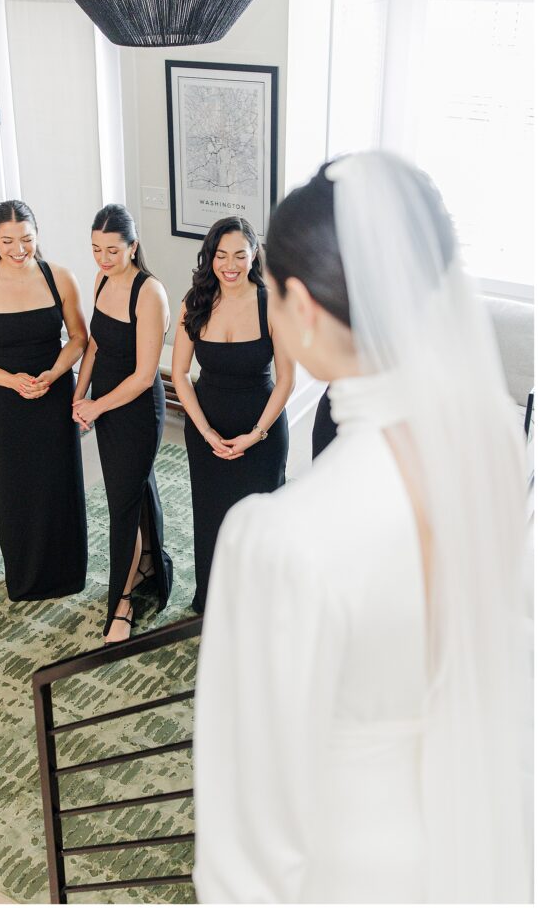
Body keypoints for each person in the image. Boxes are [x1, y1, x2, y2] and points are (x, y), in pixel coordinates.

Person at [193, 153, 530, 902]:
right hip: (468, 840)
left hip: (349, 865)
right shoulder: (498, 452)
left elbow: (248, 838)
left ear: (301, 309)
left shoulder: (281, 540)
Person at [0, 200, 88, 601]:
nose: (18, 248)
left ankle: (68, 573)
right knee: (15, 487)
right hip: (3, 401)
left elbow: (79, 337)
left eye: (26, 239)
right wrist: (11, 382)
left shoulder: (60, 277)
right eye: (8, 240)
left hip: (52, 391)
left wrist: (54, 373)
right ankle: (26, 579)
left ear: (37, 236)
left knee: (59, 482)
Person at [172, 216, 293, 613]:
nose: (229, 265)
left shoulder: (272, 304)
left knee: (260, 524)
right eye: (221, 255)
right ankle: (215, 602)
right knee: (212, 519)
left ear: (253, 254)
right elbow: (180, 376)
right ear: (210, 256)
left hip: (261, 433)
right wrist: (205, 432)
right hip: (208, 430)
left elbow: (287, 380)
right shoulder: (196, 302)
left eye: (239, 255)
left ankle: (261, 607)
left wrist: (256, 434)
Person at [73, 204, 173, 645]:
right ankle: (150, 562)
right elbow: (94, 345)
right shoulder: (100, 280)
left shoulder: (149, 293)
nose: (103, 258)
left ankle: (123, 601)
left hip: (134, 411)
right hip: (106, 403)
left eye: (112, 250)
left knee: (122, 505)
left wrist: (96, 407)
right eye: (96, 249)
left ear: (133, 247)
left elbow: (144, 376)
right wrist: (80, 393)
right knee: (133, 489)